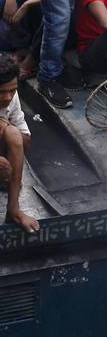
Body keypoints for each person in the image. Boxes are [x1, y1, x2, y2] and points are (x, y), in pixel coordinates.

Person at [0, 58, 38, 232]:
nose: (8, 97)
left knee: (14, 134)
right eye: (1, 92)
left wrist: (5, 125)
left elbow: (25, 140)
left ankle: (13, 210)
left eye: (12, 90)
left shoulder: (11, 97)